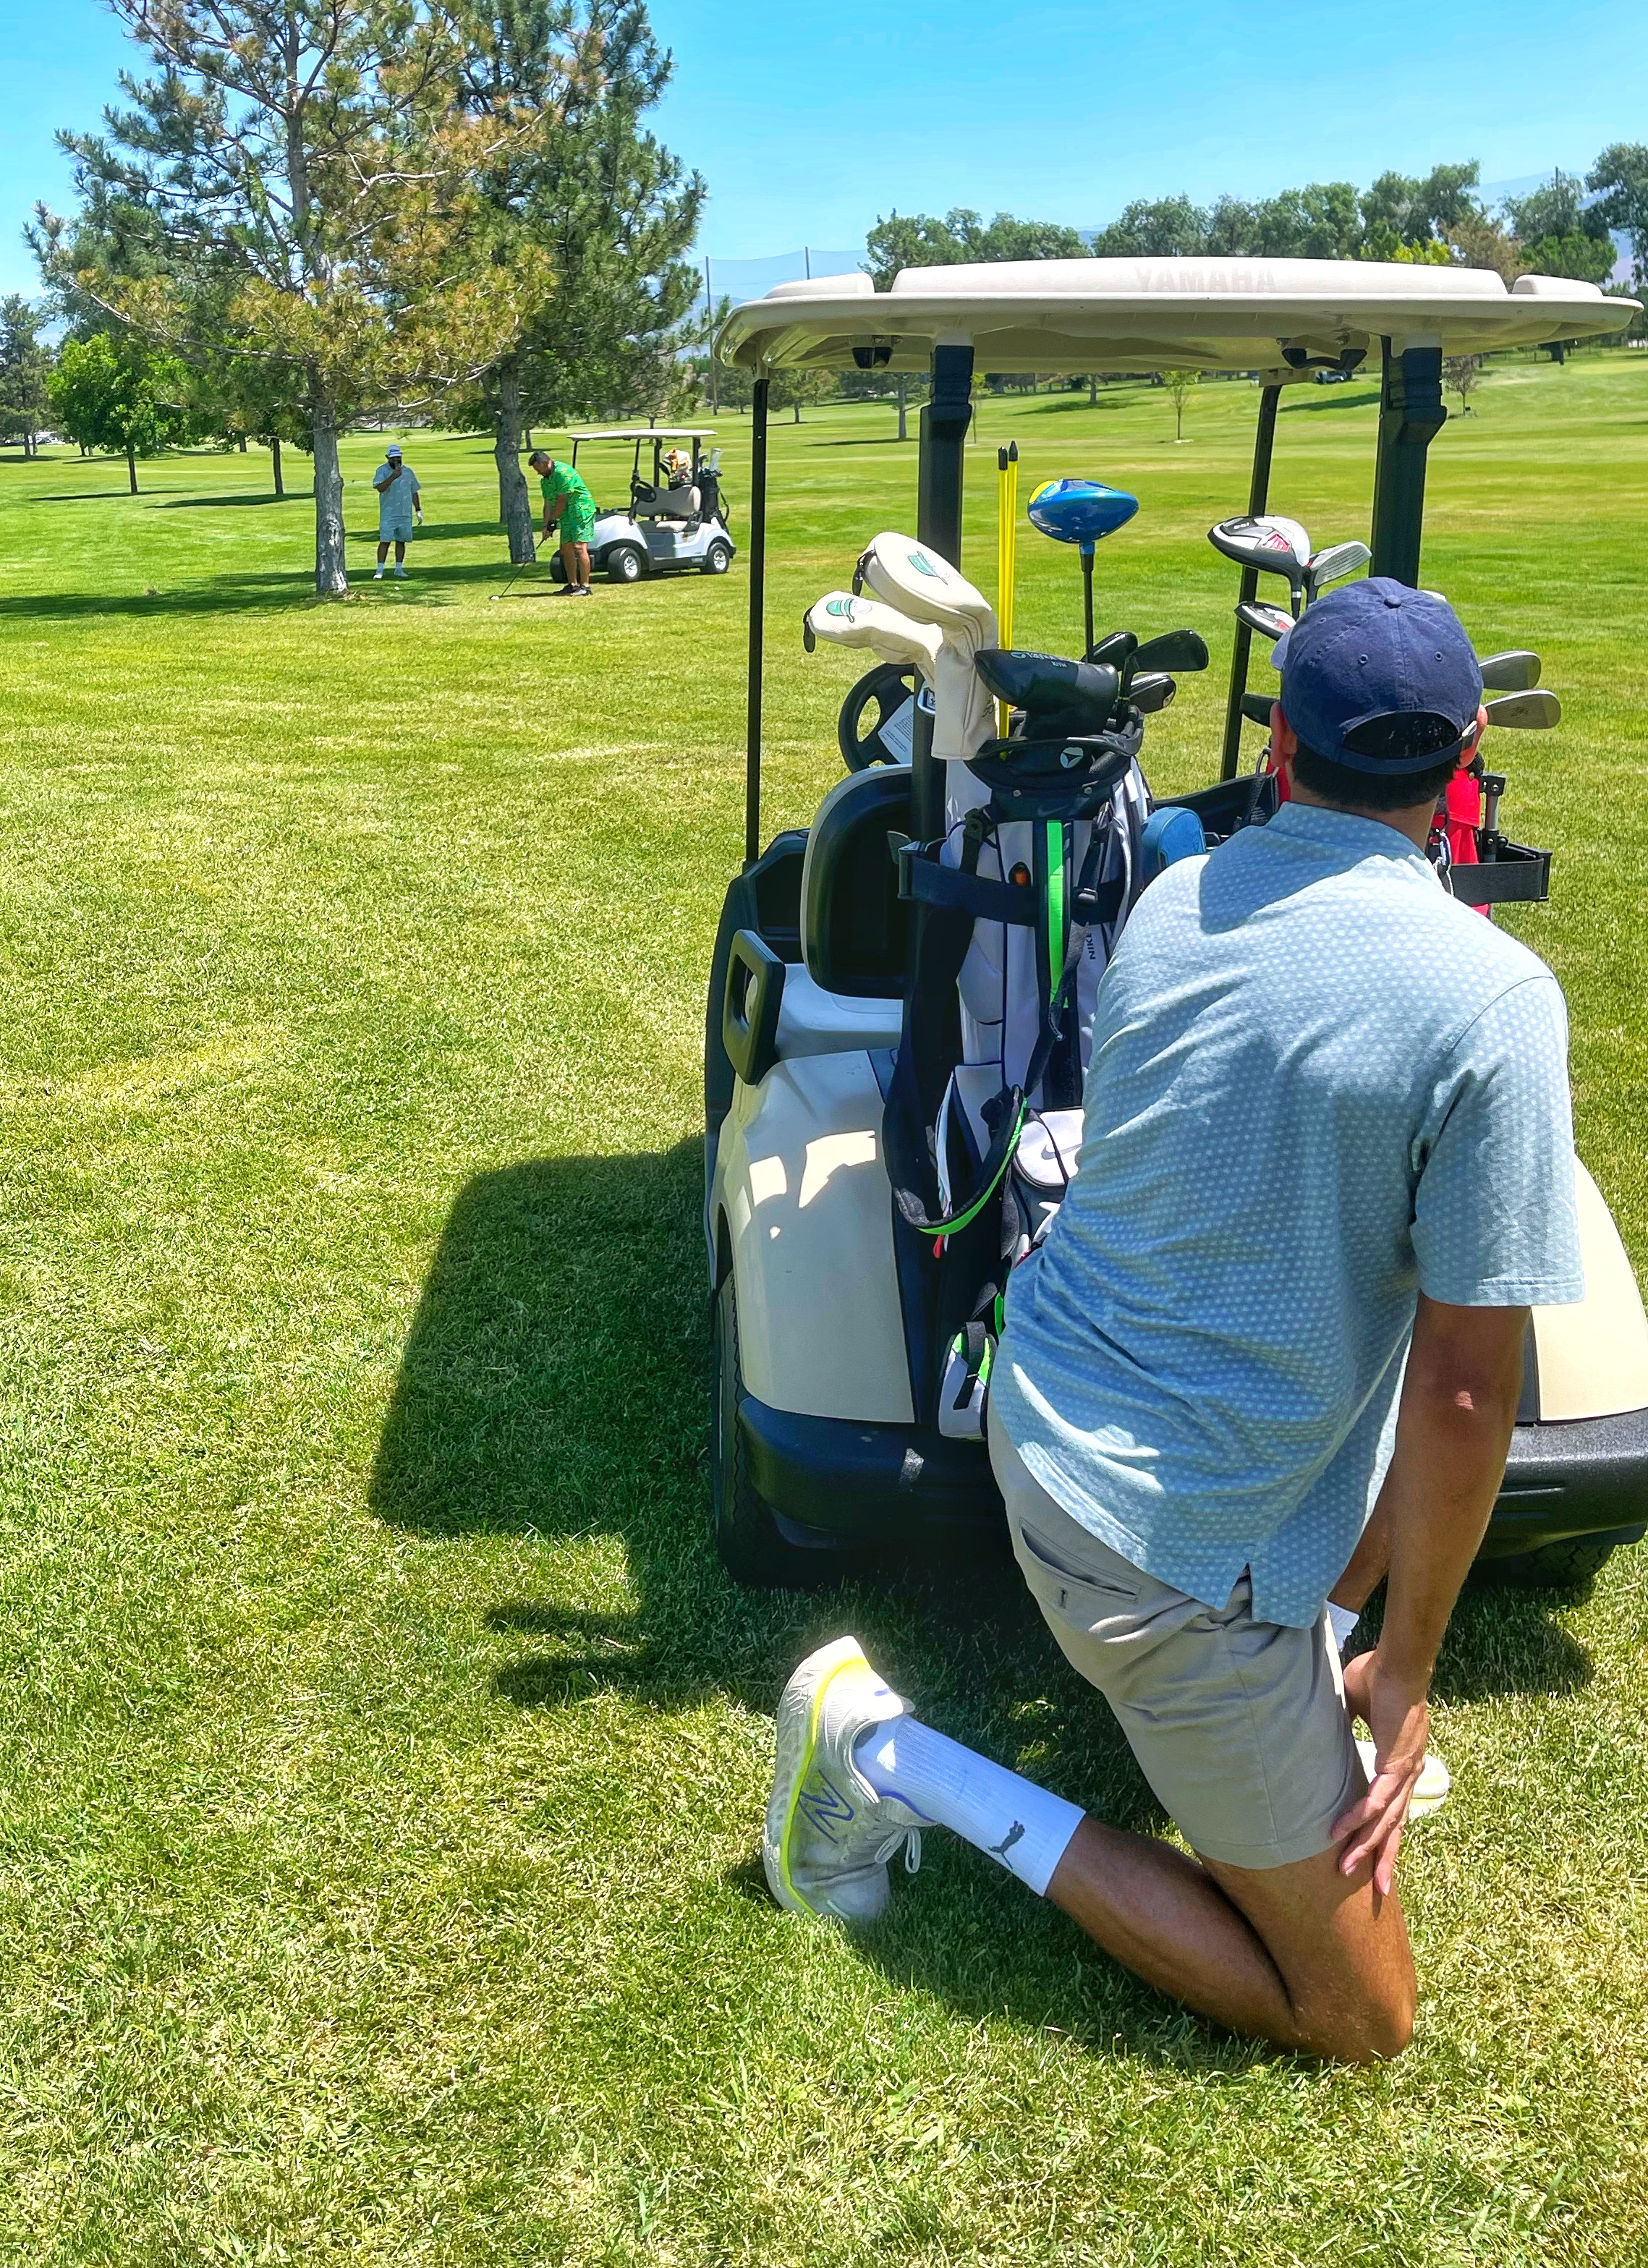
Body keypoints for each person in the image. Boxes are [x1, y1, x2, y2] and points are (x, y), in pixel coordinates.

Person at [763, 579, 1585, 2065]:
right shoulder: (1494, 999)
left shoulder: (1176, 895)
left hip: (1053, 1405)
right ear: (1466, 758)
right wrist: (1404, 1679)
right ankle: (882, 1752)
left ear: (1279, 751)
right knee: (1357, 2017)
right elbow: (1470, 1395)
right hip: (1151, 1545)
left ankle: (1294, 1701)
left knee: (1375, 1394)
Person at [529, 445, 597, 595]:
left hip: (581, 511)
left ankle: (585, 587)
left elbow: (562, 500)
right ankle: (572, 584)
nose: (538, 472)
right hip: (566, 514)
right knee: (565, 549)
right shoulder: (545, 480)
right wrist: (546, 525)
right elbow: (548, 503)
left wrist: (553, 522)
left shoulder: (563, 473)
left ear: (546, 463)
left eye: (538, 468)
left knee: (579, 547)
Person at [373, 446, 422, 579]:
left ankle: (399, 568)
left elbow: (414, 491)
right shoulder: (382, 471)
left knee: (402, 541)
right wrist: (393, 477)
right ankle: (380, 570)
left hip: (405, 512)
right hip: (389, 513)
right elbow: (380, 488)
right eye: (393, 458)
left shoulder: (408, 472)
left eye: (398, 457)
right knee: (385, 541)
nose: (396, 460)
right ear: (388, 458)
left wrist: (418, 509)